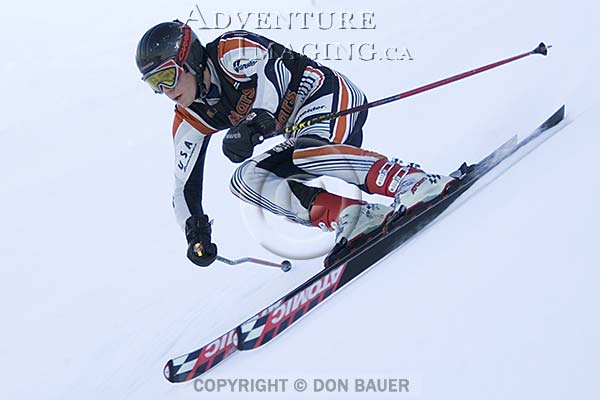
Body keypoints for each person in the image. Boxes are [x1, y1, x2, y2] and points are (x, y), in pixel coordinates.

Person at [135, 20, 455, 267]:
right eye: (155, 84)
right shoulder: (189, 117)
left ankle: (412, 181)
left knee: (305, 152)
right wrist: (196, 233)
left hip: (331, 98)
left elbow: (273, 80)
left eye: (167, 77)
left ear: (190, 60)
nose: (166, 91)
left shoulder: (231, 52)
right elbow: (184, 187)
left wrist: (252, 128)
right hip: (301, 134)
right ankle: (354, 216)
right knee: (245, 180)